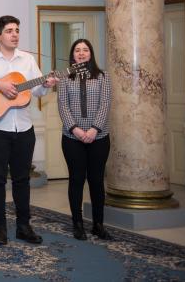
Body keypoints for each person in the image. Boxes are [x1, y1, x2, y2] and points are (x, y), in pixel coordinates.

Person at [0, 15, 57, 245]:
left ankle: (24, 227)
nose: (14, 34)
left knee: (22, 179)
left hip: (24, 128)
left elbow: (36, 92)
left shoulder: (27, 60)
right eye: (9, 31)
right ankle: (0, 228)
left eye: (16, 30)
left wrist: (45, 86)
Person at [57, 39, 113, 241]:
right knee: (76, 180)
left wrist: (93, 129)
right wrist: (77, 130)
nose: (81, 53)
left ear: (91, 54)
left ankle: (98, 225)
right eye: (77, 50)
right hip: (72, 137)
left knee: (97, 181)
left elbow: (105, 104)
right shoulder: (65, 77)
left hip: (99, 137)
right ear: (73, 55)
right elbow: (63, 106)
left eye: (85, 50)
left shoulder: (103, 76)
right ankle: (78, 224)